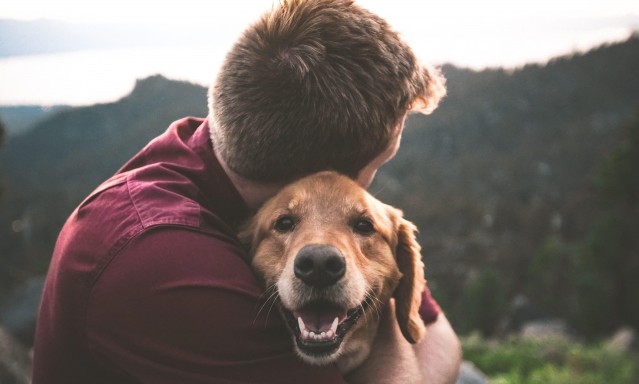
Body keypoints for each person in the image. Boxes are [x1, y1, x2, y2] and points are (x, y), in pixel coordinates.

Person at [32, 0, 461, 383]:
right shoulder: (162, 263)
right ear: (323, 175)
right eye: (378, 164)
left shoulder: (223, 150)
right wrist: (379, 306)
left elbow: (439, 337)